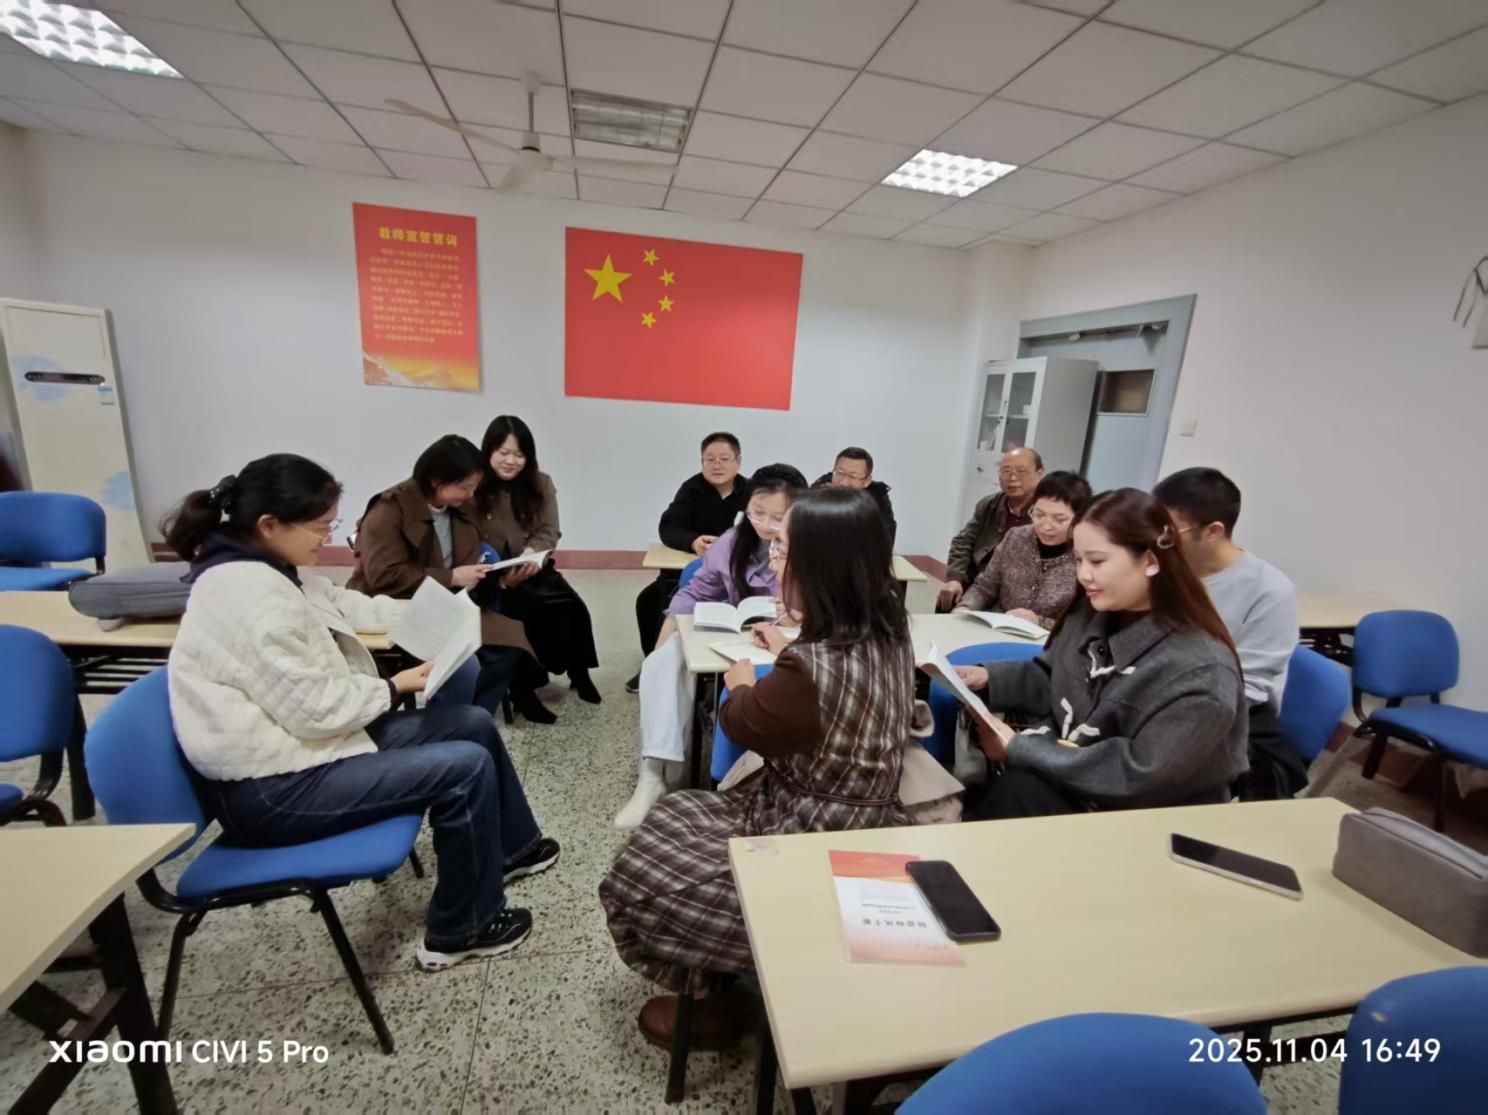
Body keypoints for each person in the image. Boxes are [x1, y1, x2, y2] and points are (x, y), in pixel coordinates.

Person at [163, 454, 559, 970]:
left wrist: (435, 616)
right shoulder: (249, 596)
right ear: (269, 524)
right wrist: (395, 685)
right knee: (464, 768)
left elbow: (348, 605)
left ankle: (512, 849)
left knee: (472, 723)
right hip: (272, 789)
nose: (327, 539)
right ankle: (462, 928)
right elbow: (318, 710)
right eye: (321, 527)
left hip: (305, 751)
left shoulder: (273, 569)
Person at [601, 486, 915, 1050]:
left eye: (783, 550)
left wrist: (742, 684)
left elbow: (741, 724)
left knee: (638, 877)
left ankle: (719, 997)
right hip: (866, 816)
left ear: (821, 567)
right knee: (675, 814)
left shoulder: (810, 667)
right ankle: (718, 981)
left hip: (810, 838)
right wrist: (791, 641)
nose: (773, 563)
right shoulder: (890, 630)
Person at [954, 488, 1248, 820]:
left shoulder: (1202, 672)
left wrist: (1019, 749)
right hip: (1073, 784)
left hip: (1145, 818)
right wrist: (989, 678)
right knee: (1006, 790)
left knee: (1015, 793)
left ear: (1151, 562)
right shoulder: (1091, 615)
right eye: (1078, 560)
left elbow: (1138, 774)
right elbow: (1055, 678)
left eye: (1097, 561)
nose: (1083, 574)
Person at [613, 463, 807, 829]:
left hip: (787, 648)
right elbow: (697, 591)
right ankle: (653, 774)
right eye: (757, 512)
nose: (765, 525)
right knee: (664, 660)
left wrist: (798, 614)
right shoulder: (733, 542)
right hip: (735, 639)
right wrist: (670, 627)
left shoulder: (815, 547)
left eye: (777, 518)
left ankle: (707, 778)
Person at [347, 435, 533, 717]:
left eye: (474, 487)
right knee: (461, 663)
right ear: (436, 481)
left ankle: (472, 717)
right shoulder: (389, 510)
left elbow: (471, 553)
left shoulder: (460, 507)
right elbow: (384, 576)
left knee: (510, 642)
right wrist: (452, 577)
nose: (470, 495)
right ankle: (447, 724)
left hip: (449, 605)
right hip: (400, 608)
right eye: (464, 487)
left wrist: (498, 577)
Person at [1153, 467, 1304, 799]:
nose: (1159, 540)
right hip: (1154, 697)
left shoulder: (1270, 591)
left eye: (1169, 531)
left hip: (1226, 720)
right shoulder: (1165, 571)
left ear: (1212, 531)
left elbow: (1246, 688)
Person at [476, 415, 600, 723]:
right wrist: (499, 573)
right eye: (503, 452)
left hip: (534, 565)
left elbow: (549, 529)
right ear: (489, 451)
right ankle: (523, 690)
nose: (511, 461)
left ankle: (579, 672)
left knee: (571, 606)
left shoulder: (540, 483)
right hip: (494, 574)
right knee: (521, 613)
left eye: (519, 454)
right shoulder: (475, 485)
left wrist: (532, 554)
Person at [627, 433, 750, 693]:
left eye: (724, 459)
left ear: (738, 461)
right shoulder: (692, 489)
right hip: (694, 568)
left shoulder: (751, 492)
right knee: (648, 602)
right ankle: (655, 663)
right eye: (709, 460)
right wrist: (693, 542)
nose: (716, 465)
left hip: (734, 574)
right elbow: (668, 527)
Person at [954, 470, 1092, 630]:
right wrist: (965, 607)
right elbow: (985, 587)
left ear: (1080, 519)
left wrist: (1040, 622)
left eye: (1059, 519)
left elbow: (1082, 625)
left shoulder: (1087, 556)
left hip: (1049, 641)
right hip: (998, 629)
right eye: (1039, 515)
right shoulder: (1016, 537)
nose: (1046, 526)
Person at [938, 446, 1044, 611]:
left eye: (1021, 472)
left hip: (1017, 590)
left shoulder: (1046, 512)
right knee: (947, 600)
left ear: (1039, 474)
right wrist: (955, 577)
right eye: (1006, 471)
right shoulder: (989, 504)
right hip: (979, 581)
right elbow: (963, 541)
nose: (1012, 478)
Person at [812, 446, 896, 545]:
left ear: (866, 481)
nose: (844, 482)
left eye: (852, 476)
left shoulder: (876, 498)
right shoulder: (818, 491)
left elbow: (885, 540)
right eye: (840, 473)